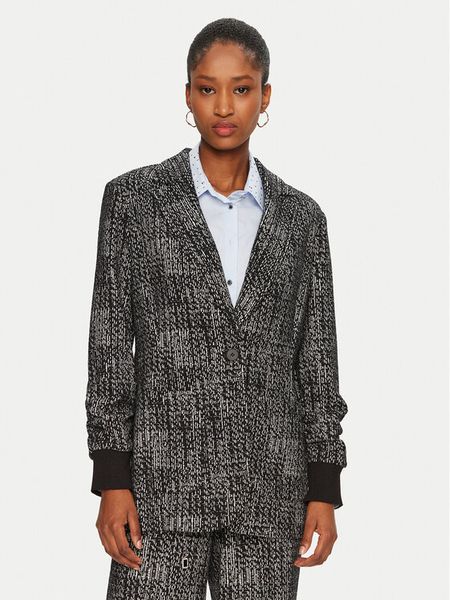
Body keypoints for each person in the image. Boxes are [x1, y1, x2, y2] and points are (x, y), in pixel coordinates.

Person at [85, 17, 348, 600]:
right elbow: (109, 350)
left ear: (265, 96)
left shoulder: (302, 220)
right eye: (208, 89)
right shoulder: (134, 202)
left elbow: (317, 365)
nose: (224, 106)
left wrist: (324, 487)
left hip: (269, 497)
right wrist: (111, 478)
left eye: (241, 88)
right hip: (158, 493)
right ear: (188, 95)